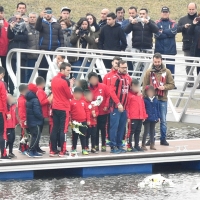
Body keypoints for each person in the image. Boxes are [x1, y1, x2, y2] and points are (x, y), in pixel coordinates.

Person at [143, 53, 174, 146]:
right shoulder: (148, 72)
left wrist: (164, 87)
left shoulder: (167, 71)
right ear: (153, 61)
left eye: (158, 62)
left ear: (161, 61)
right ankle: (151, 139)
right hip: (151, 100)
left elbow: (172, 84)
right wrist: (145, 98)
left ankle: (163, 138)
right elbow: (144, 86)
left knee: (163, 120)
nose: (157, 63)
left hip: (162, 98)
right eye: (155, 62)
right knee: (150, 120)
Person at [50, 62, 74, 157]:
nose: (69, 72)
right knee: (63, 130)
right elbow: (69, 96)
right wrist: (71, 86)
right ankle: (62, 151)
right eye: (67, 70)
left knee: (55, 128)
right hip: (63, 108)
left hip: (55, 107)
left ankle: (53, 150)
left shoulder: (54, 79)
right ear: (62, 70)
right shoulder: (64, 82)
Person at [109, 60, 131, 154]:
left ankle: (119, 144)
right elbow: (111, 92)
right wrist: (118, 103)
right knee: (114, 126)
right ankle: (113, 146)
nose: (125, 69)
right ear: (118, 67)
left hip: (125, 107)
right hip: (115, 107)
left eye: (126, 67)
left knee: (122, 127)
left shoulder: (128, 78)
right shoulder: (115, 78)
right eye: (123, 67)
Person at [35, 7, 64, 80]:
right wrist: (40, 17)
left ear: (52, 14)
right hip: (43, 51)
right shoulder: (41, 23)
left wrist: (61, 51)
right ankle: (42, 89)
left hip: (54, 52)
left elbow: (61, 38)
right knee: (42, 72)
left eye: (49, 13)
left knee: (55, 72)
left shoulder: (57, 24)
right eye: (46, 13)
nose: (48, 15)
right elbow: (37, 27)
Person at [88, 72, 110, 152]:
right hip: (93, 114)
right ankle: (95, 145)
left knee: (103, 129)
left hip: (103, 112)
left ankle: (103, 144)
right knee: (95, 130)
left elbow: (108, 96)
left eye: (95, 79)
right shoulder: (88, 89)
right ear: (89, 80)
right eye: (92, 79)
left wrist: (106, 106)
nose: (94, 81)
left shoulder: (103, 86)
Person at [7, 12, 28, 95]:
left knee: (22, 74)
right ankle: (11, 90)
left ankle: (22, 92)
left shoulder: (25, 27)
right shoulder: (10, 27)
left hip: (22, 54)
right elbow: (9, 36)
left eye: (20, 18)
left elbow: (25, 37)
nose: (18, 20)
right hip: (12, 54)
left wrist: (15, 37)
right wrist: (11, 29)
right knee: (11, 73)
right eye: (16, 18)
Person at [178, 3, 197, 87]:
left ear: (196, 9)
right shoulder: (183, 19)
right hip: (187, 45)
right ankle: (191, 81)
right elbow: (177, 29)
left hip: (197, 46)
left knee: (198, 65)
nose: (191, 11)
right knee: (188, 65)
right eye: (190, 9)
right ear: (187, 9)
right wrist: (183, 27)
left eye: (193, 9)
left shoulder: (198, 19)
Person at [155, 7, 177, 76]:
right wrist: (168, 34)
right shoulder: (156, 22)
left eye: (166, 12)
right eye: (163, 12)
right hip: (159, 50)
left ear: (169, 13)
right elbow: (157, 34)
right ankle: (159, 83)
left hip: (171, 50)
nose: (165, 14)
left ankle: (171, 83)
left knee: (170, 70)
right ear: (161, 13)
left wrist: (163, 31)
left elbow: (173, 32)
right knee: (159, 69)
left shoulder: (173, 22)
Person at [126, 78, 147, 152]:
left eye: (137, 86)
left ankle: (137, 145)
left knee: (138, 131)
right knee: (131, 131)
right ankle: (129, 146)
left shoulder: (140, 96)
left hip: (140, 116)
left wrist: (144, 115)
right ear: (131, 86)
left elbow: (143, 105)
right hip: (132, 117)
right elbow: (127, 106)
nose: (136, 88)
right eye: (134, 86)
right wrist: (128, 116)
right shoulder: (129, 95)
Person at [70, 87, 90, 155]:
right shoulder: (71, 102)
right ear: (74, 94)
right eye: (77, 94)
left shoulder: (83, 102)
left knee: (83, 136)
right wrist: (69, 121)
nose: (79, 95)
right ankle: (74, 149)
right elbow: (69, 112)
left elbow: (87, 111)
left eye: (80, 94)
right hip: (75, 122)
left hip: (83, 122)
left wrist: (88, 120)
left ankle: (84, 149)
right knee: (74, 136)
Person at [25, 83, 43, 158]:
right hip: (36, 121)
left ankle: (33, 150)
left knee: (33, 136)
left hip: (30, 121)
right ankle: (31, 150)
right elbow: (36, 111)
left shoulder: (28, 99)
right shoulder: (35, 100)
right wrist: (41, 117)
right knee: (36, 136)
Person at [142, 85, 160, 151]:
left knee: (152, 131)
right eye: (149, 92)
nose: (150, 93)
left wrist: (158, 117)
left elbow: (157, 109)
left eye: (151, 92)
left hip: (154, 118)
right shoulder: (144, 100)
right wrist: (144, 116)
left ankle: (152, 144)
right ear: (146, 92)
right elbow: (143, 109)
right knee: (146, 131)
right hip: (147, 118)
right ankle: (143, 144)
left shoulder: (155, 100)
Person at [36, 76, 50, 154]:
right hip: (42, 113)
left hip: (40, 113)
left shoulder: (38, 91)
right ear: (43, 84)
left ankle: (37, 147)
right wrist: (48, 99)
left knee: (38, 132)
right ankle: (36, 147)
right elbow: (42, 102)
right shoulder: (40, 91)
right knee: (38, 132)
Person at [26, 12, 39, 83]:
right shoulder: (25, 28)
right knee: (29, 74)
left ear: (36, 19)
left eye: (34, 17)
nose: (32, 19)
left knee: (41, 74)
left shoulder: (40, 28)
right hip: (29, 56)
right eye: (31, 17)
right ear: (28, 18)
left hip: (40, 54)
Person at [188, 12, 200, 89]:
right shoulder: (196, 25)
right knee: (198, 67)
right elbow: (189, 33)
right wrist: (193, 24)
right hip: (198, 48)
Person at [0, 67, 9, 159]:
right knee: (2, 133)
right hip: (1, 110)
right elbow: (3, 98)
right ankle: (3, 153)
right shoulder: (2, 84)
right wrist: (7, 112)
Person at [18, 84, 29, 154]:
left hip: (23, 119)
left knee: (25, 134)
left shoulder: (21, 99)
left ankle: (22, 147)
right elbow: (22, 111)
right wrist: (24, 120)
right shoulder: (22, 100)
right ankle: (23, 149)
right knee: (24, 134)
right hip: (24, 120)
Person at [6, 94, 18, 158]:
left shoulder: (14, 106)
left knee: (12, 139)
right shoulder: (5, 107)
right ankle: (4, 152)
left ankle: (10, 152)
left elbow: (15, 115)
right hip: (7, 126)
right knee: (8, 140)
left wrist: (16, 123)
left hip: (13, 126)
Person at [0, 6, 9, 85]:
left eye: (1, 13)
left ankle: (6, 87)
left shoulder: (7, 24)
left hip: (5, 51)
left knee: (5, 70)